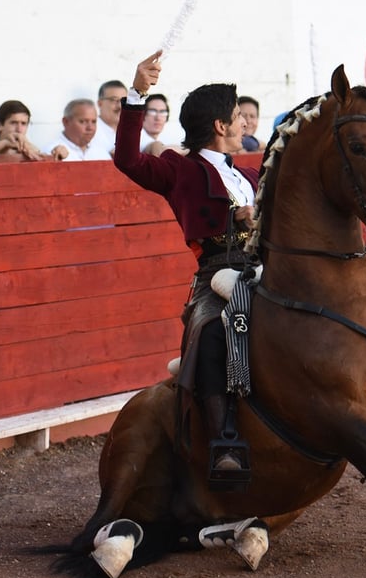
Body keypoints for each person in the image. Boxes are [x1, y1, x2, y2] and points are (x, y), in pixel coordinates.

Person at [113, 50, 258, 483]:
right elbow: (128, 159)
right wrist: (138, 92)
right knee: (213, 332)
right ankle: (226, 441)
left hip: (263, 268)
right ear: (220, 126)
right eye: (238, 116)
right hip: (214, 275)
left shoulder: (249, 176)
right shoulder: (181, 169)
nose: (246, 123)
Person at [0, 99, 66, 161]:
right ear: (0, 125)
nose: (19, 130)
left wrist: (58, 154)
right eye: (13, 123)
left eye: (23, 123)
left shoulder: (32, 151)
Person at [44, 99, 109, 161]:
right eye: (83, 121)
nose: (90, 128)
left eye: (94, 121)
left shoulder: (101, 151)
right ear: (66, 122)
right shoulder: (52, 152)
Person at [93, 80, 128, 157]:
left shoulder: (130, 129)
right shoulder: (90, 130)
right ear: (100, 103)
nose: (120, 106)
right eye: (114, 100)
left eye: (124, 101)